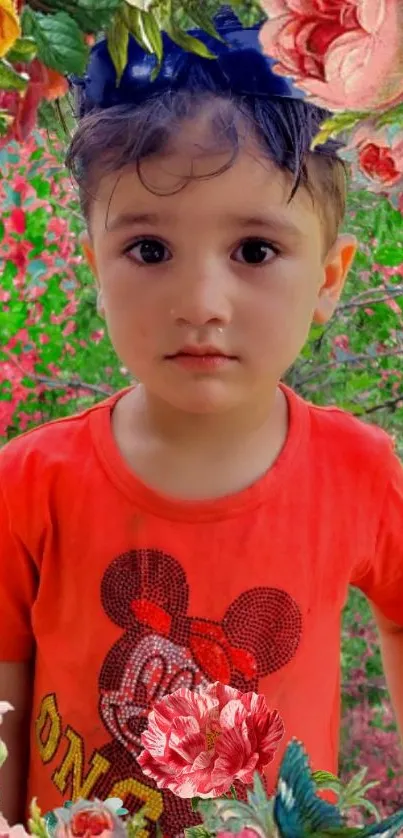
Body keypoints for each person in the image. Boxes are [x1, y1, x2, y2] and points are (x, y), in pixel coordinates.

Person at [0, 10, 402, 835]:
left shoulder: (360, 472)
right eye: (148, 250)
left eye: (254, 251)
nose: (199, 305)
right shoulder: (30, 482)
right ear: (94, 264)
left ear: (329, 278)